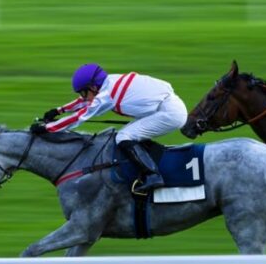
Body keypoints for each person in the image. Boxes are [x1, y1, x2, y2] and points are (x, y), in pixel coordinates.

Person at [30, 63, 188, 193]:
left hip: (169, 113)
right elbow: (84, 101)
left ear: (93, 87)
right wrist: (58, 110)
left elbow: (80, 116)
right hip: (166, 107)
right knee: (126, 135)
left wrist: (48, 128)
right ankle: (149, 165)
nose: (83, 96)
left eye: (83, 92)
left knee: (123, 137)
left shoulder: (107, 95)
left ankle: (153, 176)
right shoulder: (108, 82)